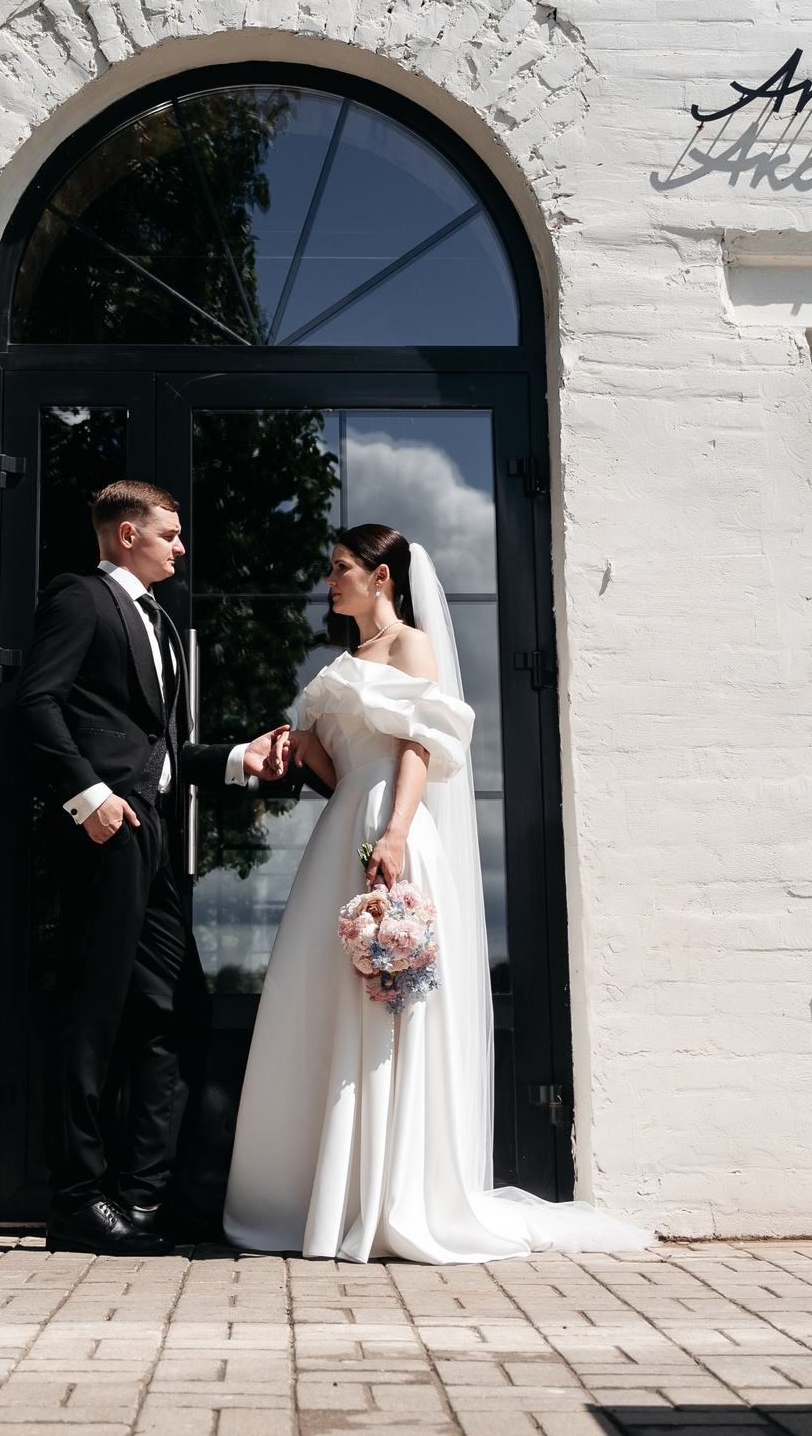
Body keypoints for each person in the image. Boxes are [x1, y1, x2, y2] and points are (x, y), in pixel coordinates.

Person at [222, 523, 653, 1263]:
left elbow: (419, 744)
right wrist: (299, 741)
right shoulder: (342, 662)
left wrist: (395, 832)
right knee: (327, 995)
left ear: (381, 577)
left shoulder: (411, 646)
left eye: (341, 567)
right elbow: (334, 771)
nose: (330, 580)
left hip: (390, 822)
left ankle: (394, 1197)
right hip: (341, 827)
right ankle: (334, 1196)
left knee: (388, 1000)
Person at [19, 480, 291, 1256]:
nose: (181, 546)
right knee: (90, 1018)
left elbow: (164, 751)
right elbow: (36, 703)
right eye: (169, 533)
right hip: (106, 836)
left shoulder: (164, 623)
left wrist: (240, 760)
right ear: (127, 533)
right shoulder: (80, 597)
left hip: (157, 843)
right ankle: (76, 1201)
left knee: (178, 1013)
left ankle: (143, 1198)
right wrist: (89, 798)